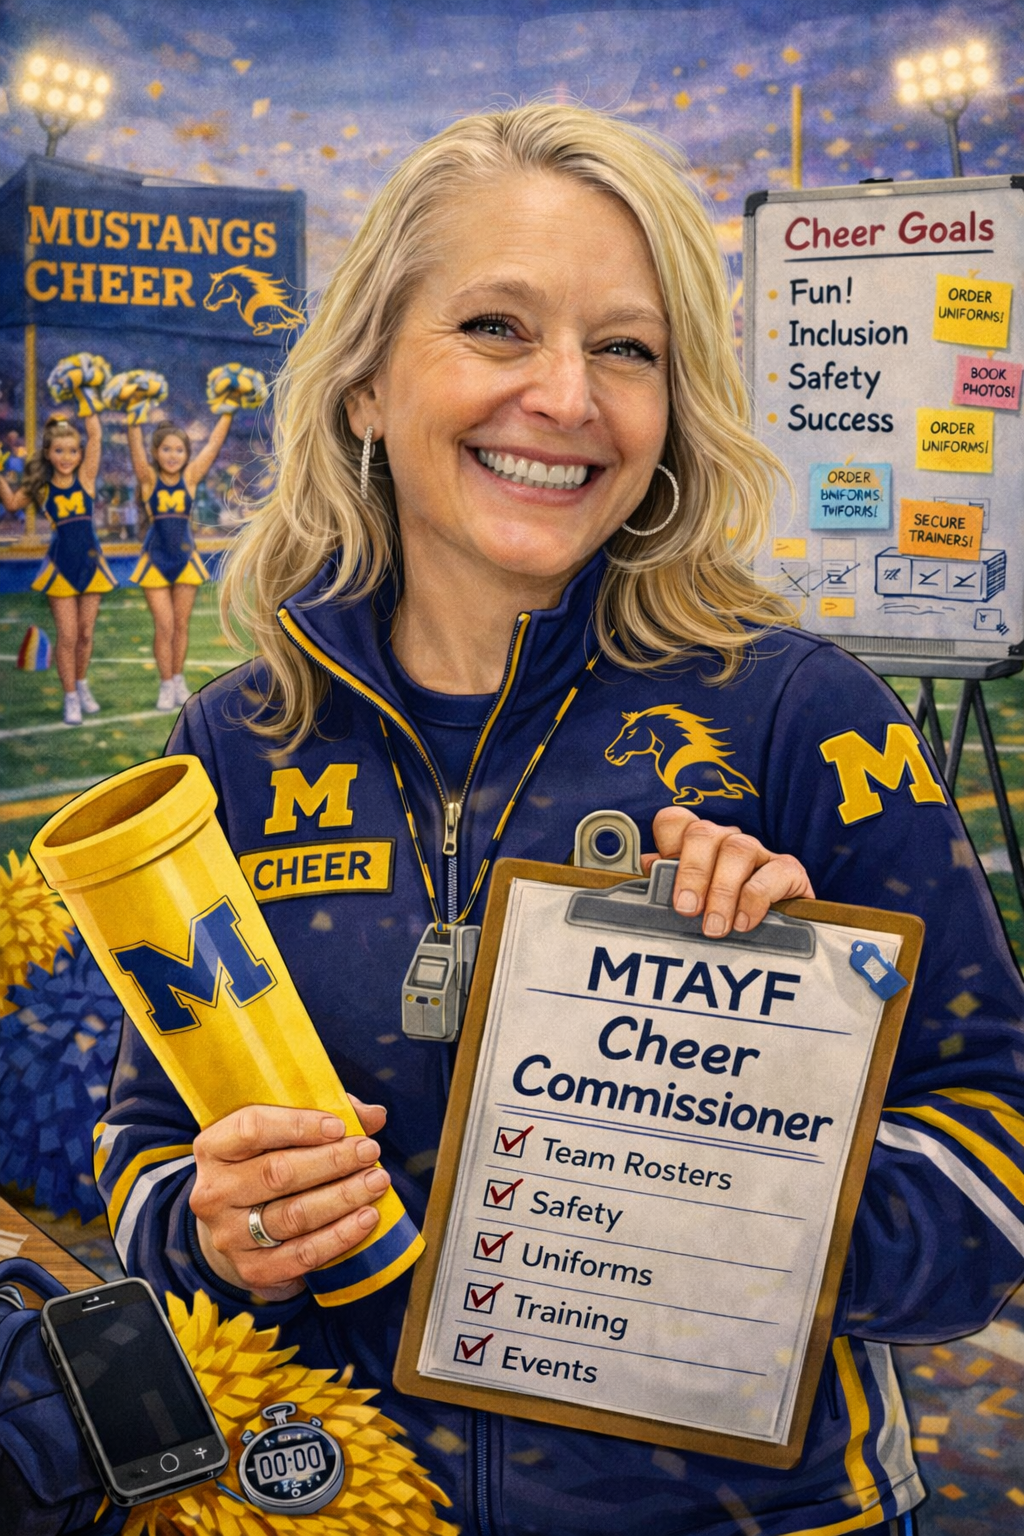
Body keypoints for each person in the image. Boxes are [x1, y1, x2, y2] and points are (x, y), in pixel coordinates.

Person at [96, 105, 1024, 1536]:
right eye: (496, 327)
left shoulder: (804, 715)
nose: (566, 395)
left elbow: (994, 1168)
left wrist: (768, 1097)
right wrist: (219, 1227)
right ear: (364, 383)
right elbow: (148, 1139)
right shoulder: (237, 743)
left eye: (627, 349)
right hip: (349, 1505)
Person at [0, 413, 114, 725]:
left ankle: (81, 683)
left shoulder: (86, 478)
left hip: (91, 564)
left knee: (86, 634)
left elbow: (95, 434)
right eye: (59, 451)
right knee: (68, 635)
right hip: (60, 567)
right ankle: (70, 697)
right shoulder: (42, 487)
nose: (66, 457)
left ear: (80, 453)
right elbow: (12, 504)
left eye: (73, 451)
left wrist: (85, 397)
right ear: (48, 453)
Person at [127, 411, 233, 711]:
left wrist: (227, 411)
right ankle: (165, 684)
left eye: (179, 450)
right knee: (165, 625)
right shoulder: (149, 480)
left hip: (186, 559)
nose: (173, 455)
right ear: (155, 452)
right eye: (166, 449)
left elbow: (213, 445)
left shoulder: (190, 478)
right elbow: (135, 449)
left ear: (187, 454)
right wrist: (133, 415)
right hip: (155, 561)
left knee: (181, 625)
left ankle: (177, 679)